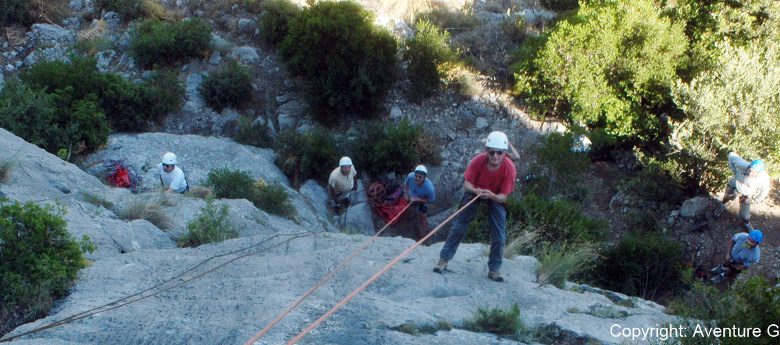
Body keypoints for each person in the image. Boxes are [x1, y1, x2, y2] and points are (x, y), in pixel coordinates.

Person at [434, 131, 517, 282]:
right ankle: (443, 260)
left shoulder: (509, 168)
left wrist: (491, 195)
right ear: (487, 151)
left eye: (499, 152)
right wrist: (476, 190)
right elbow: (467, 184)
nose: (495, 156)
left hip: (496, 196)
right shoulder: (478, 161)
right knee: (459, 225)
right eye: (492, 152)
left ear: (505, 153)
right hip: (476, 191)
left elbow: (503, 196)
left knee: (499, 233)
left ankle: (494, 270)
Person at [714, 152, 770, 230]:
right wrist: (734, 172)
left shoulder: (763, 178)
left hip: (747, 194)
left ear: (759, 173)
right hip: (734, 185)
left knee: (745, 212)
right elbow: (731, 155)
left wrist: (755, 200)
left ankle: (746, 222)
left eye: (754, 172)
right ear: (749, 166)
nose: (750, 173)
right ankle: (722, 205)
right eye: (750, 170)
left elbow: (764, 191)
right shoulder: (744, 165)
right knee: (727, 198)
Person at [403, 165, 436, 238]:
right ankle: (412, 215)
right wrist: (406, 194)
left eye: (420, 177)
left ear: (424, 178)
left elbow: (431, 200)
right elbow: (406, 185)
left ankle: (422, 236)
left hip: (422, 201)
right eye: (416, 176)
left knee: (423, 218)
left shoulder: (429, 188)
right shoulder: (410, 176)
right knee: (410, 207)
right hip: (411, 197)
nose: (417, 178)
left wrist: (418, 199)